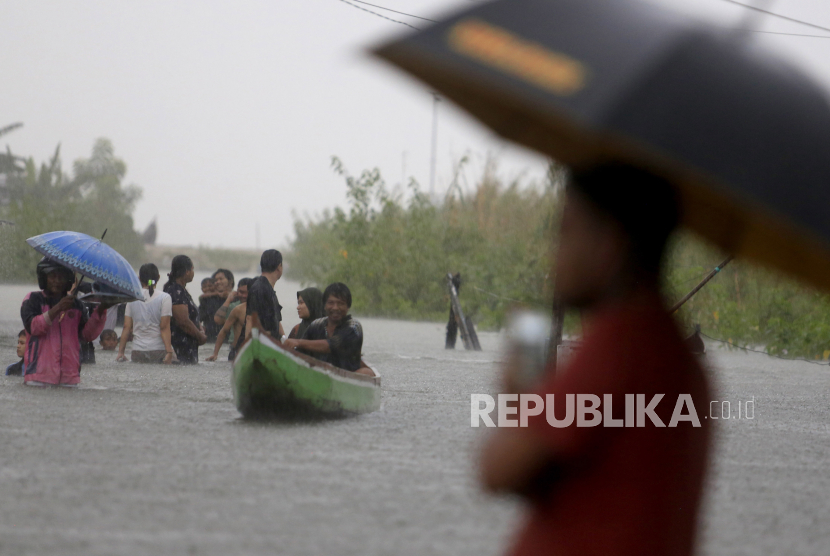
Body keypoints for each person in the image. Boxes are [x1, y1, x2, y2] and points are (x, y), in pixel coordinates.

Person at [478, 163, 711, 556]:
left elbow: (497, 469)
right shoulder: (675, 356)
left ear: (609, 243)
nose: (555, 254)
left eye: (565, 231)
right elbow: (549, 479)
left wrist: (516, 399)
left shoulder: (618, 344)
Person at [20, 258, 113, 386]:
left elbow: (86, 336)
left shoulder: (76, 305)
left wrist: (101, 309)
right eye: (52, 276)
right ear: (44, 277)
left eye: (61, 277)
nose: (57, 281)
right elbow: (33, 327)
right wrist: (58, 308)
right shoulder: (33, 299)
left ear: (68, 279)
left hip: (69, 378)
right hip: (38, 378)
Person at [283, 282, 371, 375]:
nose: (335, 308)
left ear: (348, 307)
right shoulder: (316, 325)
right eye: (331, 303)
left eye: (341, 303)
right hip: (320, 375)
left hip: (347, 375)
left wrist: (298, 342)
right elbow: (301, 352)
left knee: (366, 372)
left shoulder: (353, 326)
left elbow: (332, 345)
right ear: (324, 305)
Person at [116, 263, 175, 364]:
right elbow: (164, 327)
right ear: (158, 277)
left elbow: (126, 327)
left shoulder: (133, 297)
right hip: (158, 349)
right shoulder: (165, 298)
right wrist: (169, 351)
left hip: (137, 350)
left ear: (139, 278)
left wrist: (121, 352)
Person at [163, 255, 207, 364]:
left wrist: (200, 328)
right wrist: (200, 336)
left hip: (188, 348)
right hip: (180, 349)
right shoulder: (176, 291)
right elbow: (183, 321)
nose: (193, 272)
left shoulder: (181, 290)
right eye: (192, 269)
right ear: (187, 272)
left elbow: (190, 316)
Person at [206, 277, 252, 362]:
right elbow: (223, 331)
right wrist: (215, 354)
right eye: (241, 292)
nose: (243, 295)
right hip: (236, 351)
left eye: (247, 293)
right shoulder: (236, 309)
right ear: (237, 291)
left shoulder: (262, 310)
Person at [245, 249, 284, 344]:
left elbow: (276, 323)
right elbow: (250, 319)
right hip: (260, 347)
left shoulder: (268, 290)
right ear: (279, 267)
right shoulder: (259, 289)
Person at [198, 277, 223, 342]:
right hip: (208, 327)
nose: (208, 288)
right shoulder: (203, 299)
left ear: (215, 286)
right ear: (202, 289)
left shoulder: (220, 296)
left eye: (210, 286)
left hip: (219, 325)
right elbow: (200, 315)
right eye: (205, 287)